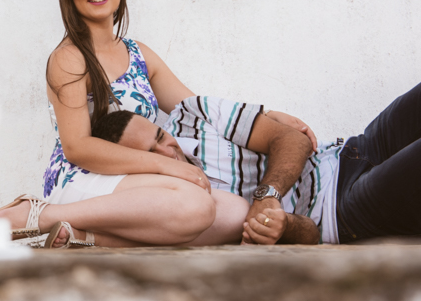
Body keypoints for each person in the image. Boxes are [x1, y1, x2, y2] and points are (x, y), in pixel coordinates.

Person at [0, 0, 311, 247]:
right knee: (196, 206)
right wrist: (167, 167)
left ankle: (82, 235)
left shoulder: (138, 54)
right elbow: (77, 147)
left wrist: (268, 115)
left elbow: (195, 106)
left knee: (237, 213)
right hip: (83, 177)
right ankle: (42, 214)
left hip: (135, 181)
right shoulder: (70, 58)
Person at [93, 83, 421, 244]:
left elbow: (292, 139)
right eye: (151, 155)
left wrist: (267, 194)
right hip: (341, 208)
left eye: (160, 136)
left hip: (356, 148)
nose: (167, 151)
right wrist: (281, 222)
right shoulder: (180, 205)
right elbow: (309, 233)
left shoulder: (192, 114)